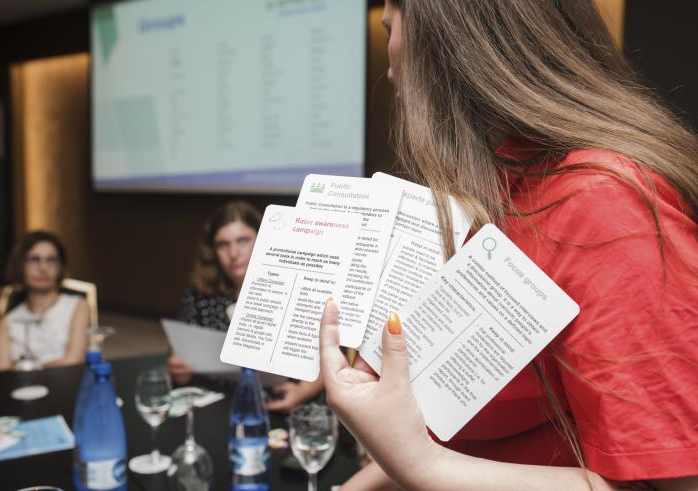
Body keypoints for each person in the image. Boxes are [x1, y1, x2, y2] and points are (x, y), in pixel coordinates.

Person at [318, 1, 698, 490]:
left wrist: (420, 464)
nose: (390, 66)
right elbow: (484, 443)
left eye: (391, 29)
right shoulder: (504, 186)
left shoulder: (603, 204)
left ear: (447, 43)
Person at [168, 201, 324, 412]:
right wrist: (179, 368)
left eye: (243, 240)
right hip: (221, 401)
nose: (233, 253)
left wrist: (303, 392)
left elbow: (336, 354)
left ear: (263, 238)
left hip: (288, 402)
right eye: (223, 244)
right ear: (213, 250)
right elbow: (182, 350)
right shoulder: (200, 293)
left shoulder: (299, 286)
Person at [0, 231, 90, 370]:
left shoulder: (77, 306)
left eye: (51, 260)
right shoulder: (7, 323)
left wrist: (24, 368)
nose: (43, 268)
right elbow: (0, 375)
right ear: (20, 266)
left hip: (68, 386)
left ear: (60, 267)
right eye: (34, 259)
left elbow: (74, 361)